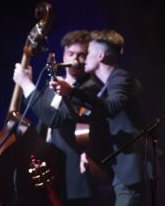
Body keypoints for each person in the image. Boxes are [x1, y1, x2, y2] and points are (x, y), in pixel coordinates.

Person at [52, 29, 156, 206]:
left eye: (88, 53)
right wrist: (90, 153)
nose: (83, 59)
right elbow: (98, 123)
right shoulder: (106, 87)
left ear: (100, 56)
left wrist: (73, 92)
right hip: (122, 172)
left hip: (133, 170)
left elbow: (112, 108)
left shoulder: (120, 77)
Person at [13, 30, 102, 206]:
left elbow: (56, 120)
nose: (75, 60)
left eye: (81, 55)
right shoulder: (53, 83)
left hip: (72, 173)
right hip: (51, 165)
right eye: (71, 54)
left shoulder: (89, 89)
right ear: (63, 54)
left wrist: (27, 85)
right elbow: (43, 120)